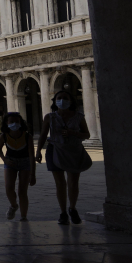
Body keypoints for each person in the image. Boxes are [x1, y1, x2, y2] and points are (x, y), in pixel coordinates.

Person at [36, 90, 91, 225]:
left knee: (73, 182)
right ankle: (63, 212)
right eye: (59, 98)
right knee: (60, 183)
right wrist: (38, 151)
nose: (62, 100)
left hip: (74, 150)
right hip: (54, 149)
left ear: (71, 101)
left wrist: (73, 133)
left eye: (65, 98)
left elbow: (87, 135)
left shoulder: (79, 116)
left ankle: (72, 208)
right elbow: (43, 134)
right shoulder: (49, 117)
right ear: (55, 101)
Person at [0, 112, 36, 221]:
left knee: (22, 191)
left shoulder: (27, 136)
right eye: (11, 121)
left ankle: (24, 216)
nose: (14, 124)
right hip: (10, 162)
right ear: (6, 123)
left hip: (25, 162)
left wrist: (33, 174)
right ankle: (13, 205)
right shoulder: (4, 136)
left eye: (17, 121)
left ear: (21, 122)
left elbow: (32, 155)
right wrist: (5, 160)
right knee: (9, 188)